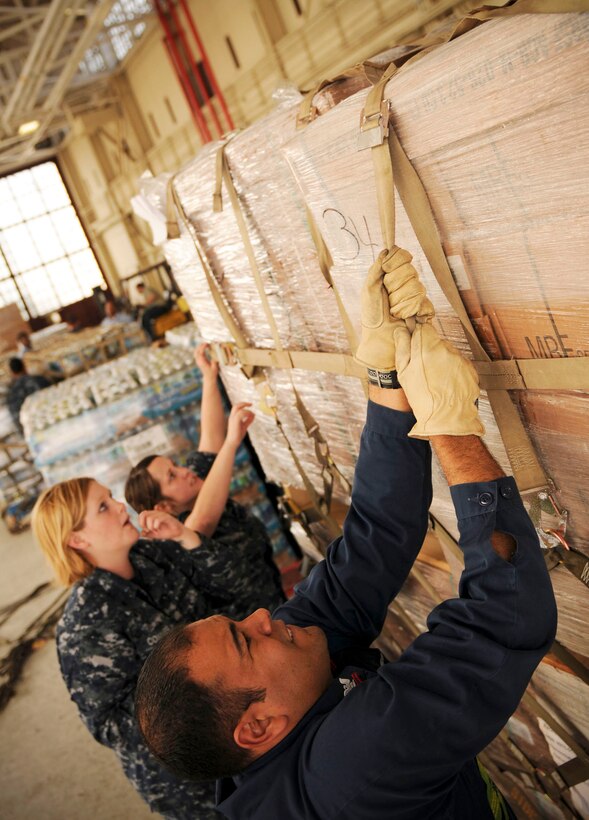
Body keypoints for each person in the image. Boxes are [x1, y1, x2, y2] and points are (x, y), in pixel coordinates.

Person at [135, 247, 557, 819]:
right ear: (258, 726)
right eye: (246, 640)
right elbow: (503, 617)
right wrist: (451, 425)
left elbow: (374, 539)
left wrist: (387, 381)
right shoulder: (352, 771)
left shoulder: (284, 674)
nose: (264, 618)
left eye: (239, 623)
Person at [31, 398, 285, 820]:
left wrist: (186, 538)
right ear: (77, 540)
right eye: (103, 508)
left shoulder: (155, 556)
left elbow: (239, 591)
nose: (119, 506)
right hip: (193, 782)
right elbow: (111, 726)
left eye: (111, 498)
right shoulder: (85, 625)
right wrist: (204, 703)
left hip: (248, 730)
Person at [125, 342, 285, 611]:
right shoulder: (183, 534)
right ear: (164, 508)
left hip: (273, 593)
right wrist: (232, 443)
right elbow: (203, 520)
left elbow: (210, 439)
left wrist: (209, 378)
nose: (184, 471)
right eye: (172, 476)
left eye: (175, 466)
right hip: (254, 624)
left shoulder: (195, 483)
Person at [6, 357, 50, 434]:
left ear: (12, 373)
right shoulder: (40, 379)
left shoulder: (12, 394)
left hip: (34, 432)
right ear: (24, 367)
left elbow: (17, 420)